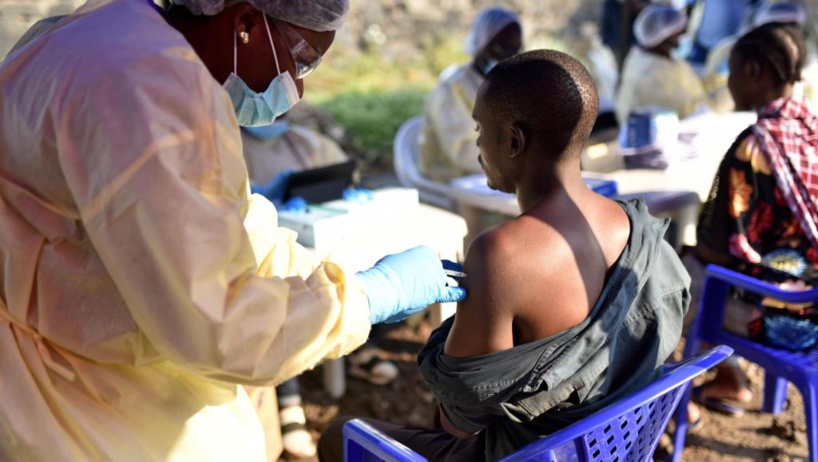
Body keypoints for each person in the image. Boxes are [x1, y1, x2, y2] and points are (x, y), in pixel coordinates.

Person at [0, 1, 467, 461]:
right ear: (245, 22)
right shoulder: (154, 92)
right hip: (67, 395)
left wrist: (335, 275)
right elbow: (221, 328)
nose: (298, 90)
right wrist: (364, 298)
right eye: (302, 60)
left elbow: (226, 234)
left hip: (72, 346)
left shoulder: (99, 30)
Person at [318, 49, 690, 462]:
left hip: (524, 454)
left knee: (336, 436)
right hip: (610, 447)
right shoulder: (633, 224)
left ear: (514, 141)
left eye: (480, 129)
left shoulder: (502, 255)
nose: (477, 144)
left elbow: (458, 422)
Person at [684, 22, 818, 419]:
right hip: (812, 300)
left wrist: (686, 252)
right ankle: (730, 379)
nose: (727, 82)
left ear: (753, 72)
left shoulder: (755, 146)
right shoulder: (810, 131)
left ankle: (668, 401)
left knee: (667, 281)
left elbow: (722, 252)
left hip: (786, 314)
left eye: (732, 70)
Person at [417, 7, 522, 183]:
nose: (508, 57)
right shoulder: (451, 89)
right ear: (481, 43)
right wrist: (518, 161)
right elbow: (462, 153)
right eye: (500, 48)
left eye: (515, 50)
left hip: (494, 173)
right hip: (452, 178)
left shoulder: (504, 85)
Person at [703, 1, 817, 113]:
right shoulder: (731, 54)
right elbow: (713, 109)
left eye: (791, 28)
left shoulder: (811, 66)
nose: (785, 38)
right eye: (772, 31)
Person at [615, 4, 711, 124]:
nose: (684, 38)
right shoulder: (653, 76)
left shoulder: (648, 54)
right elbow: (689, 113)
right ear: (664, 38)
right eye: (680, 34)